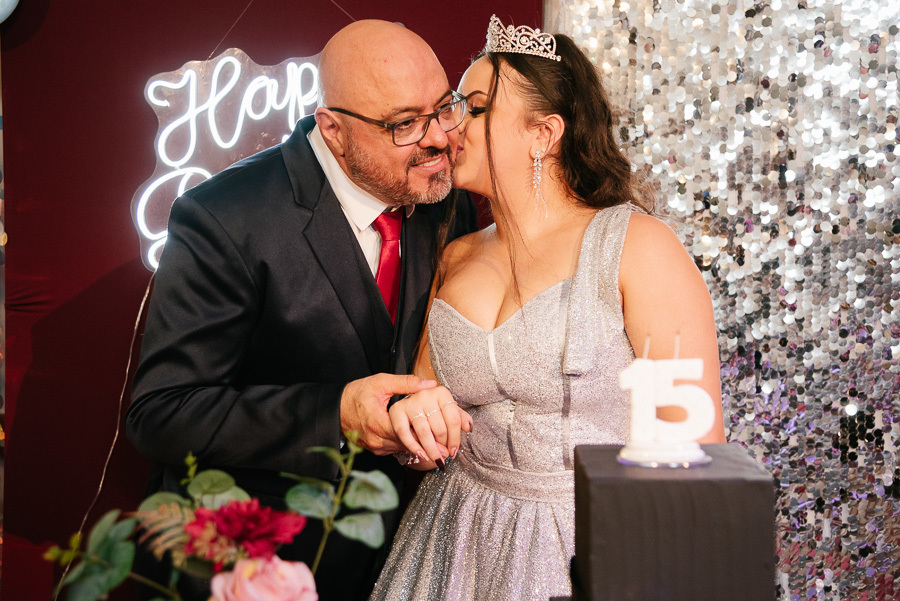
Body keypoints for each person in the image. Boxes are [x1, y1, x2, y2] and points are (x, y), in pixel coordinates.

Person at [369, 15, 728, 600]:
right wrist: (414, 424)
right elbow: (422, 421)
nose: (451, 126)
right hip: (452, 538)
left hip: (586, 545)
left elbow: (695, 444)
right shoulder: (455, 254)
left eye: (475, 109)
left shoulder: (637, 247)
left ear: (544, 133)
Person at [126, 20, 477, 601]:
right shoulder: (224, 219)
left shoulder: (444, 199)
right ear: (333, 130)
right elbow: (162, 413)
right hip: (260, 563)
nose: (440, 137)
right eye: (405, 124)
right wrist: (335, 414)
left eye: (445, 107)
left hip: (403, 561)